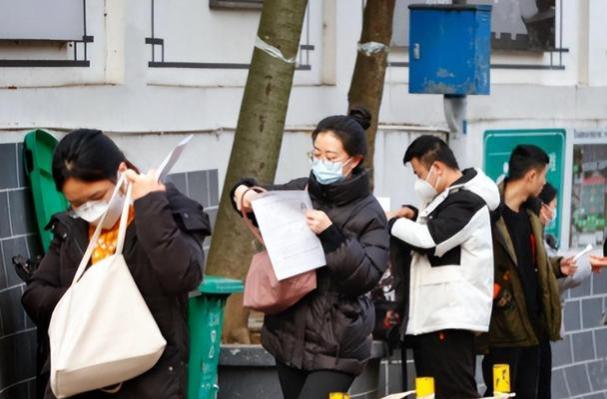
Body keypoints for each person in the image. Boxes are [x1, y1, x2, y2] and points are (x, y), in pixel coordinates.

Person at [22, 129, 210, 398]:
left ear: (121, 172)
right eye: (76, 203)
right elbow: (35, 294)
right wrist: (90, 300)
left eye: (97, 197)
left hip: (149, 381)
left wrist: (151, 205)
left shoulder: (167, 208)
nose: (89, 210)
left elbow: (184, 275)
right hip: (83, 378)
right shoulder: (71, 227)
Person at [232, 108, 390, 399]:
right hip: (288, 333)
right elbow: (254, 199)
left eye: (330, 158)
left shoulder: (370, 213)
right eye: (316, 155)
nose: (321, 163)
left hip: (337, 342)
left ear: (354, 161)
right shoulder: (299, 191)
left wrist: (331, 235)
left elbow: (365, 277)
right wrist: (243, 194)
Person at [386, 135, 500, 398]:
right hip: (434, 318)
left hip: (448, 319)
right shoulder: (449, 199)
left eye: (419, 173)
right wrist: (413, 215)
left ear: (437, 168)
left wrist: (391, 223)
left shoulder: (468, 201)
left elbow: (430, 240)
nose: (418, 182)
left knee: (455, 393)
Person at [482, 145, 576, 399]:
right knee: (500, 395)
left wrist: (557, 267)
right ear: (531, 176)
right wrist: (501, 299)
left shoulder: (531, 214)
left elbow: (530, 262)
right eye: (543, 176)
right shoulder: (490, 215)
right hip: (504, 333)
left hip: (533, 329)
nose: (544, 184)